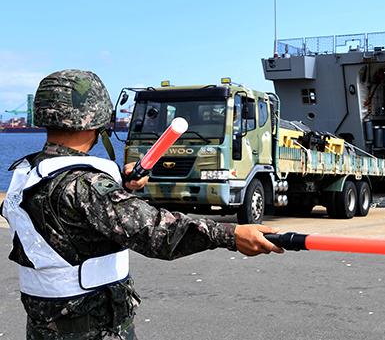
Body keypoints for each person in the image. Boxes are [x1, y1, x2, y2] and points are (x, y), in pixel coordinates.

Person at [1, 69, 283, 339]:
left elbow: (64, 211)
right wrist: (231, 234)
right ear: (97, 121)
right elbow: (157, 232)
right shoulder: (87, 186)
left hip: (45, 325)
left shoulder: (26, 174)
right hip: (94, 327)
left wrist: (120, 187)